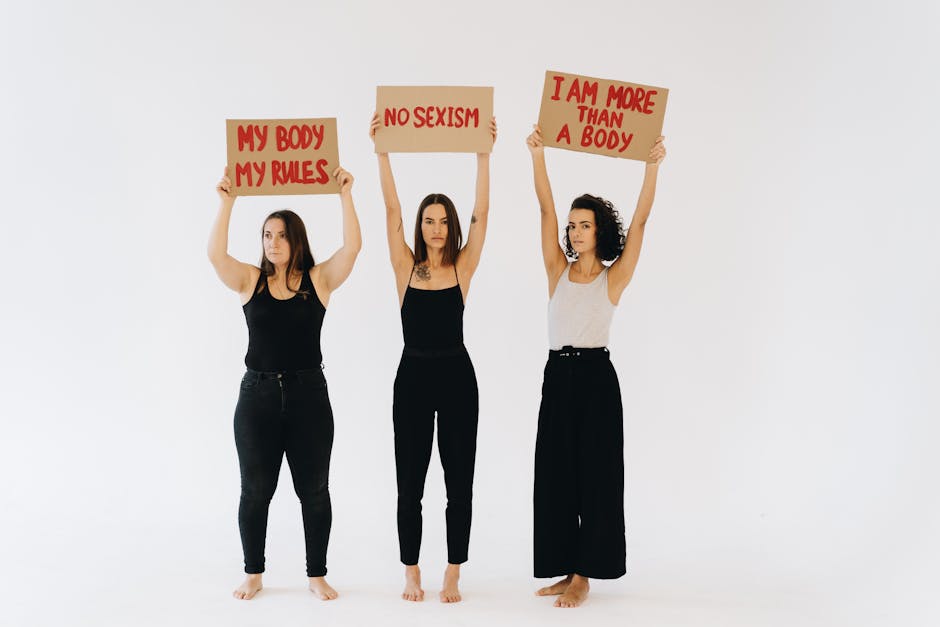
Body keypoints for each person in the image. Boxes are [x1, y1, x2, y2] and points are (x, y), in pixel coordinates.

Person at [525, 125, 666, 608]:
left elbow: (642, 223)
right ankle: (566, 569)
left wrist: (652, 167)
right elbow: (544, 207)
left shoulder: (614, 276)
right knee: (556, 473)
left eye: (584, 224)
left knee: (596, 474)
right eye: (572, 225)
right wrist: (538, 155)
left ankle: (585, 575)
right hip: (557, 377)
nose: (574, 230)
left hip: (596, 379)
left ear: (599, 230)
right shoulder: (555, 270)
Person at [208, 165, 362, 601]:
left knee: (313, 490)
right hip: (256, 398)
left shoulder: (319, 282)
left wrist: (345, 195)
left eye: (280, 235)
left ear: (296, 240)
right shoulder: (249, 281)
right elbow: (215, 256)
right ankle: (253, 573)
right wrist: (227, 202)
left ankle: (317, 574)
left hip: (308, 397)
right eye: (266, 235)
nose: (272, 243)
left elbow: (353, 248)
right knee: (255, 491)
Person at [370, 113, 497, 603]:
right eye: (431, 221)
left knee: (458, 479)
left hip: (458, 376)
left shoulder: (463, 269)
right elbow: (391, 210)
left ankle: (454, 571)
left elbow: (482, 214)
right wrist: (382, 151)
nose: (438, 228)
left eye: (445, 221)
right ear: (421, 226)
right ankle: (410, 570)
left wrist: (483, 154)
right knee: (411, 481)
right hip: (413, 376)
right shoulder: (405, 266)